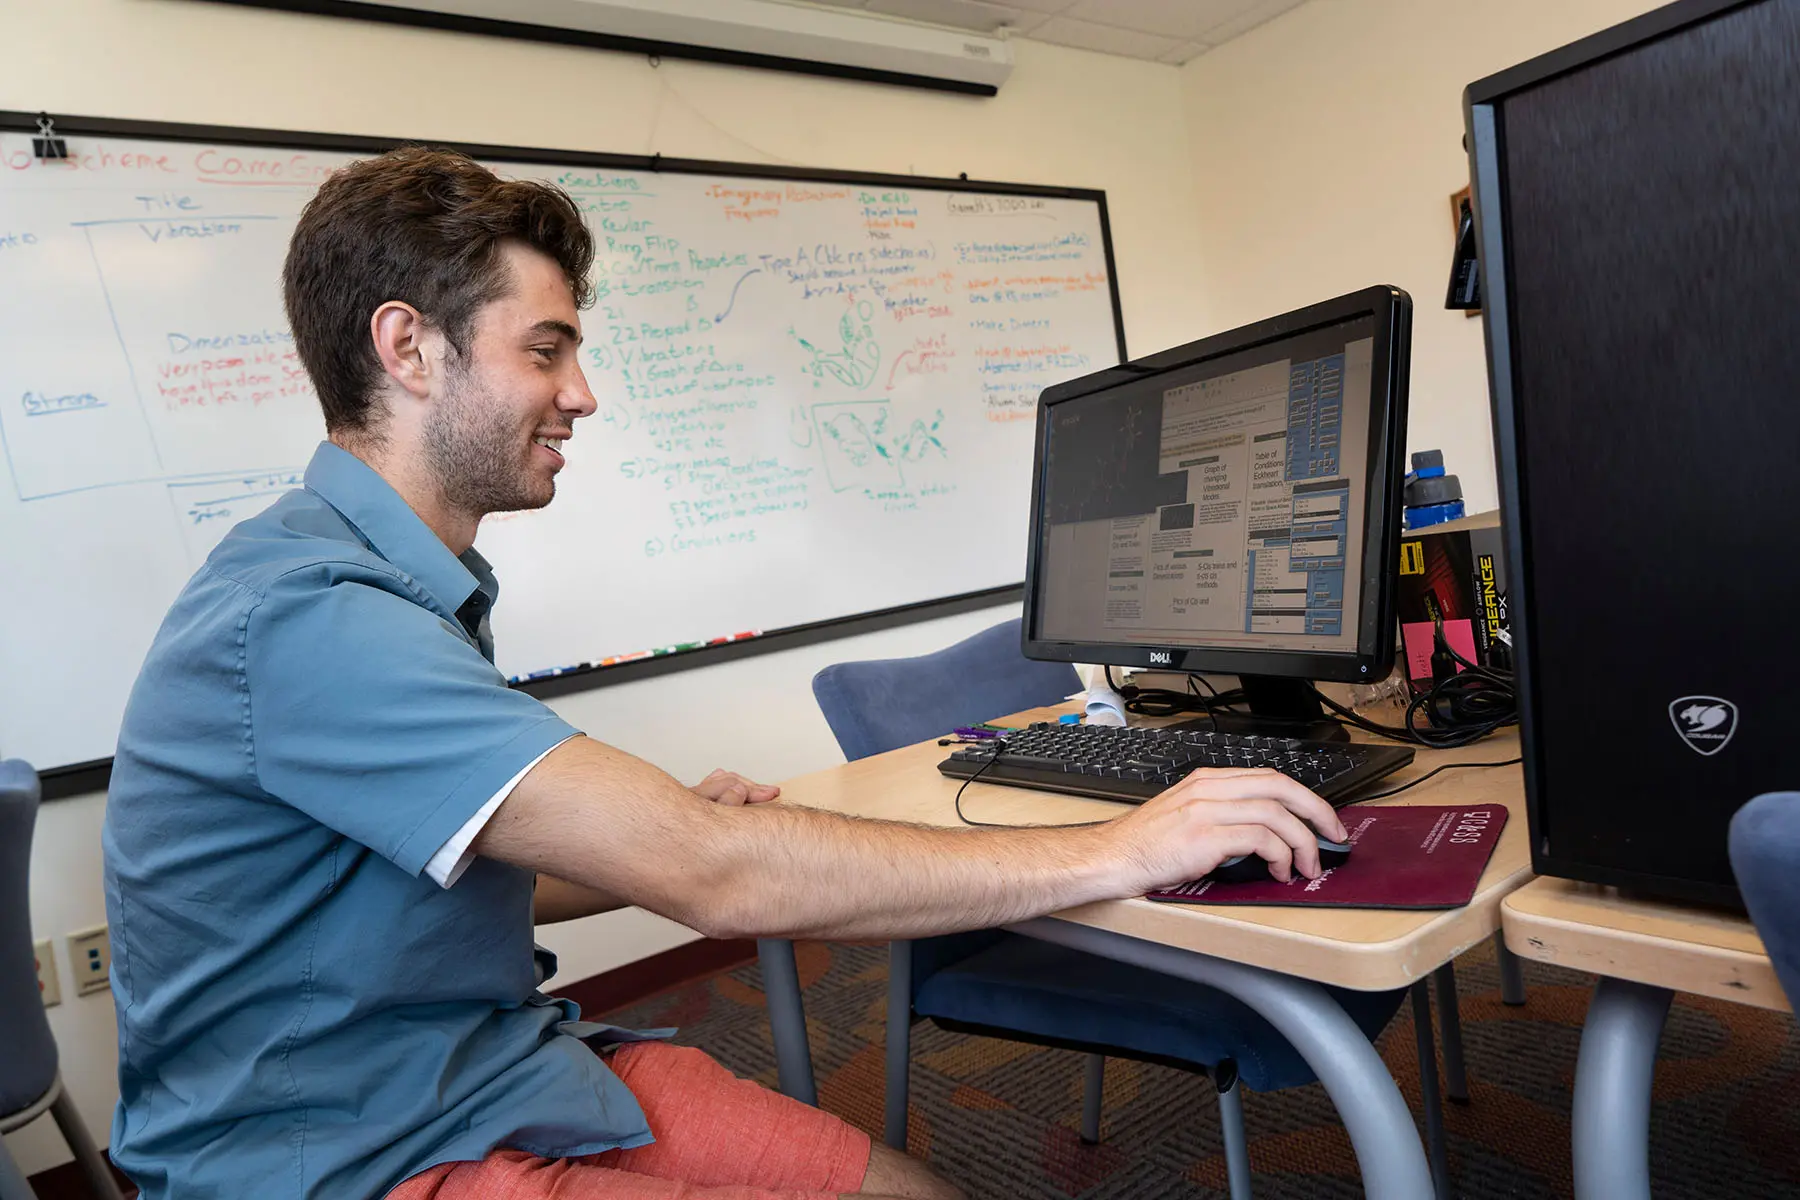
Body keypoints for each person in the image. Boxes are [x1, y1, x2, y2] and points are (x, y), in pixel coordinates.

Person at [101, 146, 1348, 1200]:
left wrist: (666, 830)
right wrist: (1124, 847)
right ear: (408, 349)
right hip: (338, 1158)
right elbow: (719, 880)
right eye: (545, 351)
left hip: (487, 1065)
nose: (581, 394)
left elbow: (441, 891)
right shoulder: (311, 617)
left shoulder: (391, 582)